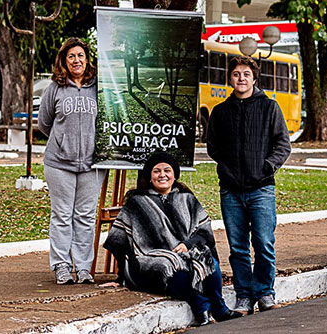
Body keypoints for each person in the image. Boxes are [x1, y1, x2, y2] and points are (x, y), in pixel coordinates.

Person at [102, 152, 243, 327]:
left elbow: (204, 232)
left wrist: (187, 245)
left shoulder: (188, 199)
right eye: (156, 171)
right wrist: (121, 278)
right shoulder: (136, 203)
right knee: (171, 269)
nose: (162, 175)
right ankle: (201, 306)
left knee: (207, 259)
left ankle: (219, 308)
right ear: (149, 176)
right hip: (151, 259)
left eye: (167, 170)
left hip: (186, 253)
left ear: (174, 175)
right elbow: (120, 242)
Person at [207, 56, 291, 314]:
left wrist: (265, 167)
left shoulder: (269, 108)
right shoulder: (220, 111)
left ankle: (265, 292)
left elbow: (282, 145)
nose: (241, 78)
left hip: (262, 189)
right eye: (236, 74)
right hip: (231, 190)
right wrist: (228, 169)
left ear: (254, 79)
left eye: (246, 74)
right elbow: (213, 148)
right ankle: (244, 296)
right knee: (238, 247)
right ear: (230, 79)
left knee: (264, 242)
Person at [38, 37, 104, 285]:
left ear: (87, 59)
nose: (76, 60)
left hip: (92, 164)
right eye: (71, 57)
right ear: (64, 61)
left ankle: (84, 268)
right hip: (59, 163)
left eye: (80, 55)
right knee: (62, 215)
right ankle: (62, 266)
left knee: (85, 216)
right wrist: (63, 141)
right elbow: (44, 123)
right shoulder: (54, 88)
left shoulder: (98, 86)